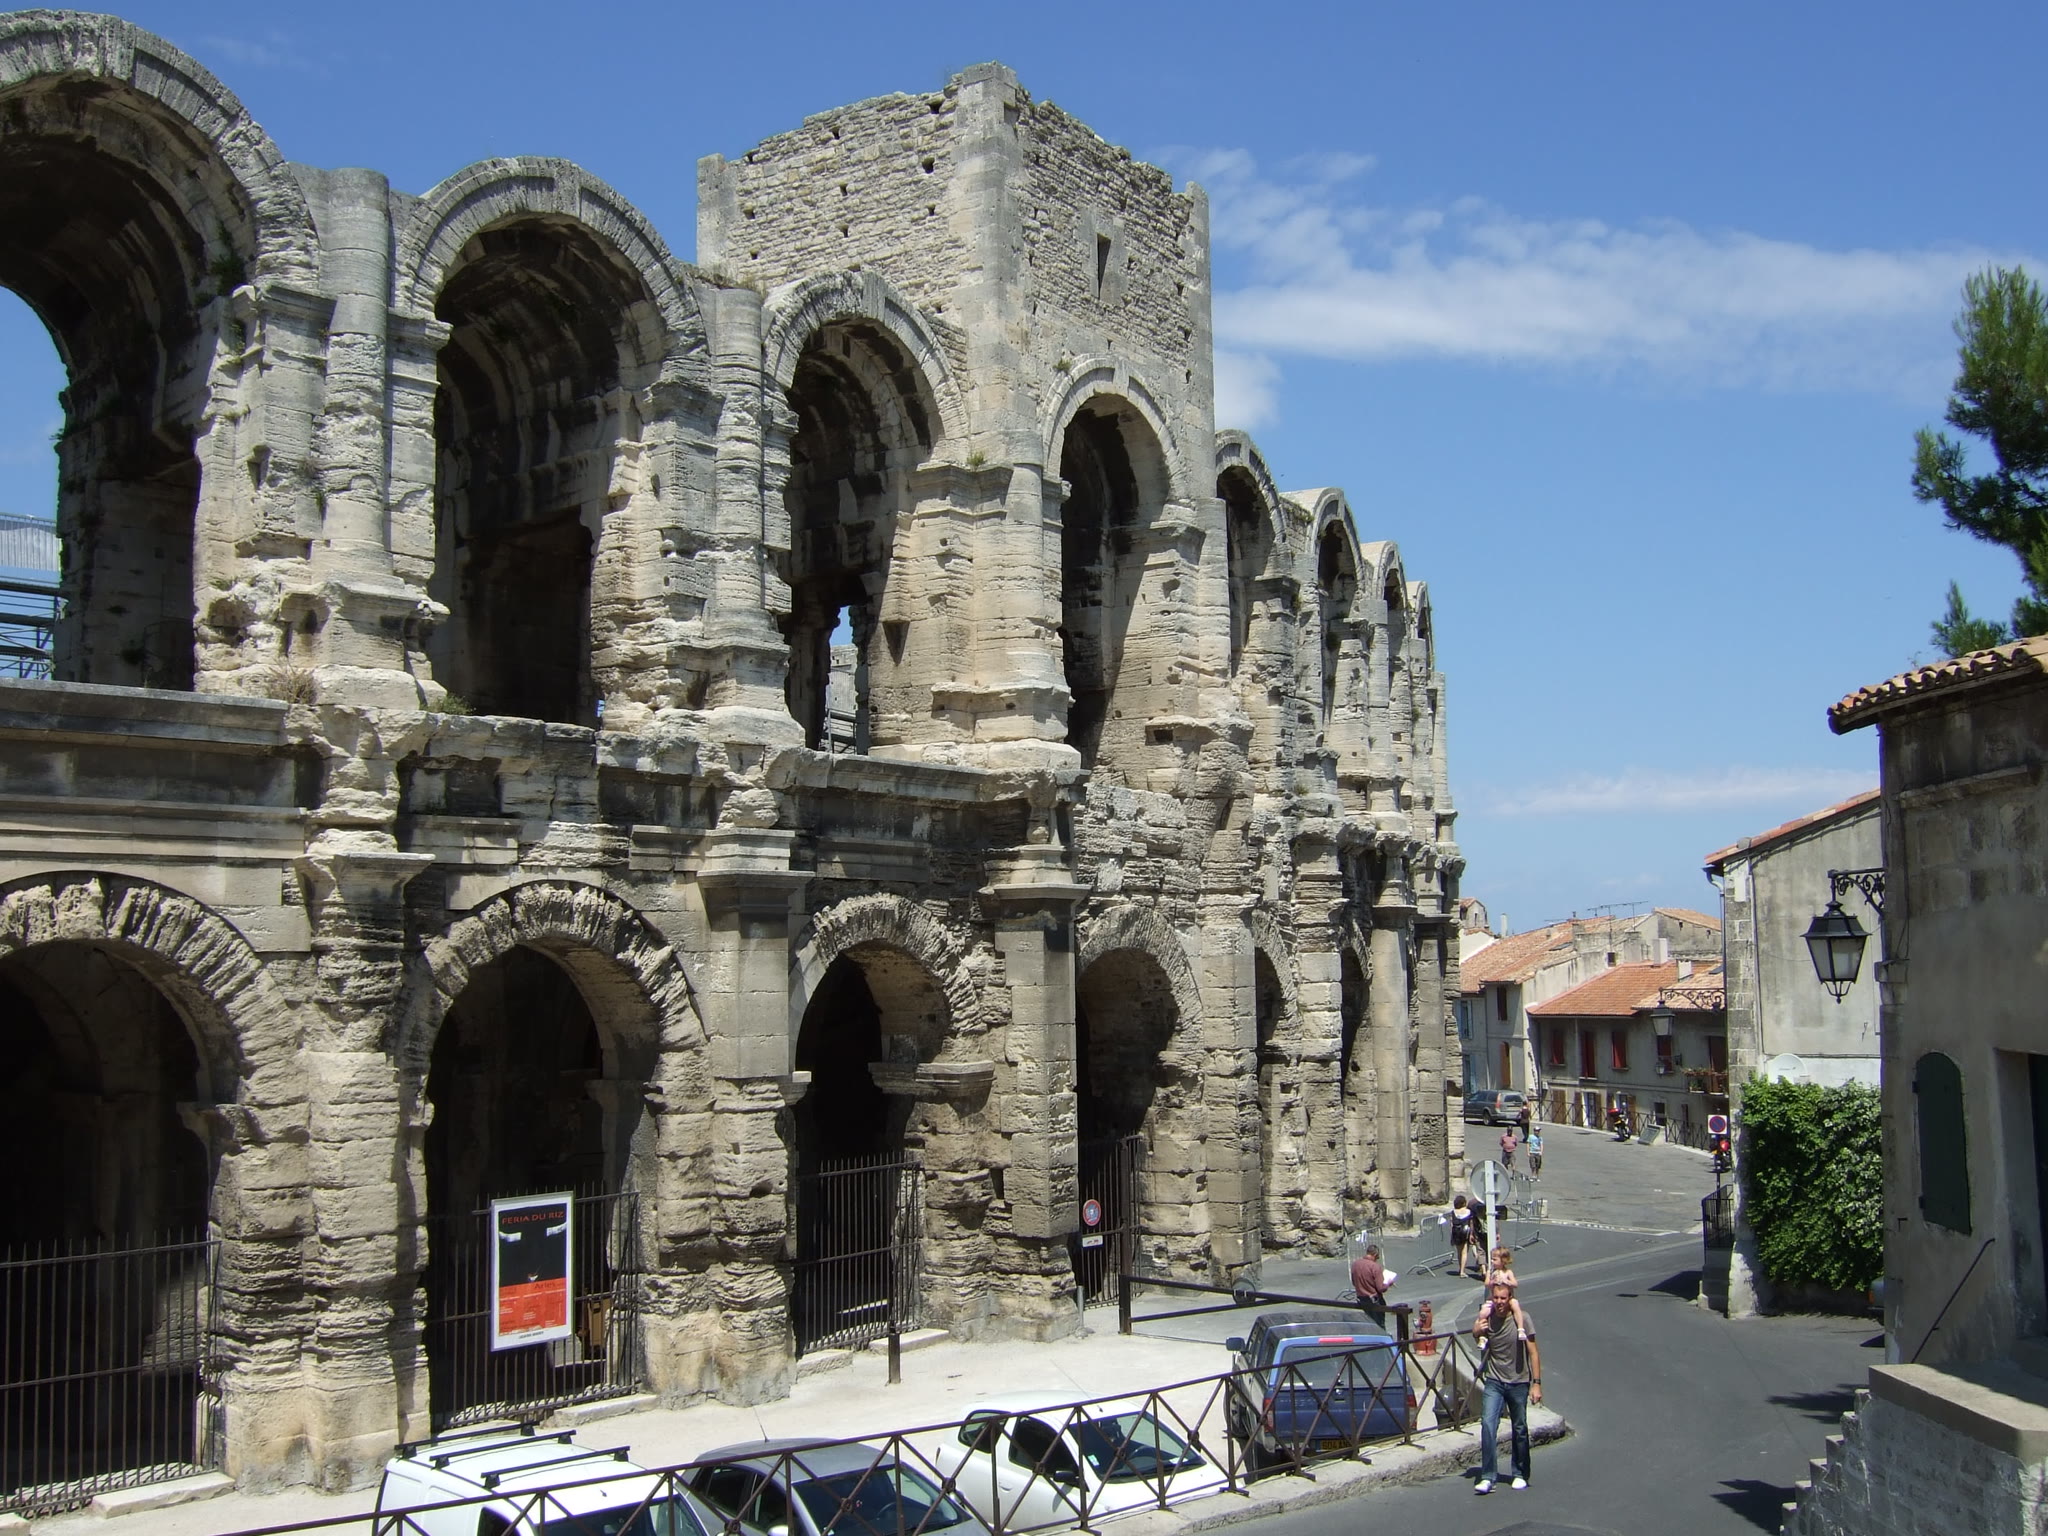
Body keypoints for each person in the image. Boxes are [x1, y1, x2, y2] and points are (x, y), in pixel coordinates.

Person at [1471, 1273, 1542, 1494]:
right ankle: (1488, 1476)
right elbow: (1478, 1335)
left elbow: (1533, 1352)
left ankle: (1520, 1473)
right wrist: (1477, 1330)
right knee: (1487, 1424)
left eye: (1503, 1298)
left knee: (1519, 1428)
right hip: (1494, 1380)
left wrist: (1536, 1384)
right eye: (1496, 1298)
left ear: (1510, 1298)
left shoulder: (1523, 1319)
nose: (1500, 1302)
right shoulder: (1488, 1316)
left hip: (1519, 1381)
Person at [1349, 1242, 1394, 1328]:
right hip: (1374, 1300)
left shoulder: (1355, 1264)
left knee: (1368, 1325)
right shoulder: (1375, 1267)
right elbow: (1381, 1288)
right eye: (1378, 1257)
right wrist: (1388, 1283)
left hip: (1361, 1299)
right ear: (1375, 1254)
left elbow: (1354, 1282)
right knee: (1379, 1325)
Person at [1449, 1194, 1480, 1278]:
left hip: (1456, 1233)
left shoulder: (1453, 1212)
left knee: (1459, 1252)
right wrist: (1472, 1234)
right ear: (1464, 1203)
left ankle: (1460, 1268)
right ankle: (1462, 1271)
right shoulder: (1468, 1212)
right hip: (1465, 1233)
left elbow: (1451, 1224)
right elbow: (1471, 1223)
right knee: (1464, 1252)